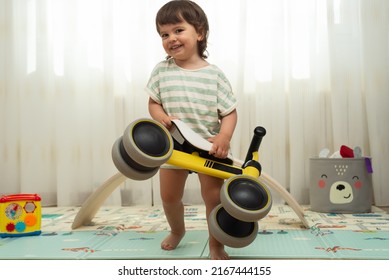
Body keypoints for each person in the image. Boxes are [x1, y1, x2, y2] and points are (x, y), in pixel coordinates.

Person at [146, 0, 238, 260]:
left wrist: (224, 137)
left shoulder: (215, 75)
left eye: (178, 30)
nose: (170, 38)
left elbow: (230, 112)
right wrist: (160, 116)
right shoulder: (162, 71)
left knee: (214, 198)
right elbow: (153, 102)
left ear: (199, 33)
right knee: (168, 196)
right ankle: (177, 230)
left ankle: (216, 245)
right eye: (164, 34)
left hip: (208, 148)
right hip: (174, 147)